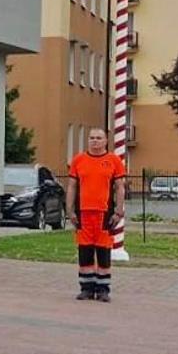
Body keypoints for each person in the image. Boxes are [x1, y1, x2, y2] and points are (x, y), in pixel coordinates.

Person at [68, 129, 126, 302]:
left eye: (98, 138)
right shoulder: (78, 160)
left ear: (106, 141)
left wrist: (119, 210)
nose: (94, 141)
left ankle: (103, 290)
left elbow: (120, 187)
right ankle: (86, 288)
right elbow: (72, 186)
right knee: (84, 251)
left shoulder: (114, 161)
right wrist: (70, 210)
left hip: (104, 213)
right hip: (83, 213)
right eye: (92, 138)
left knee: (103, 252)